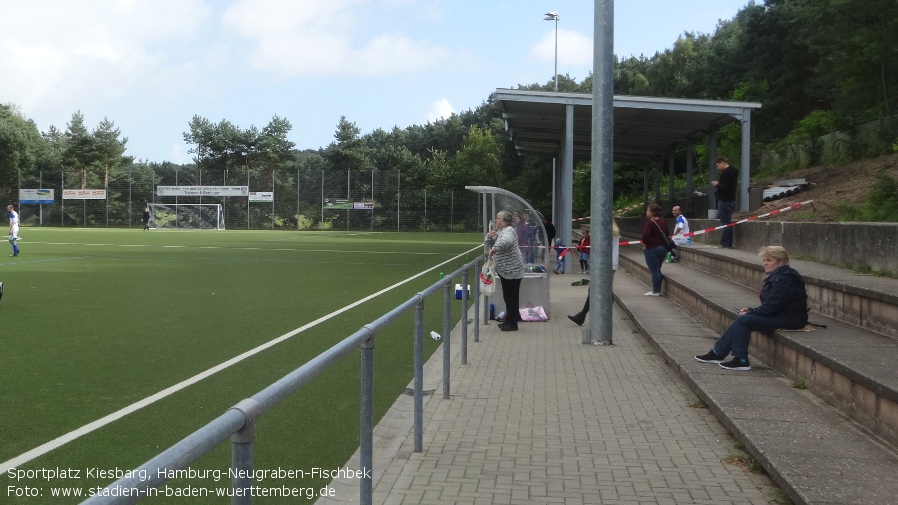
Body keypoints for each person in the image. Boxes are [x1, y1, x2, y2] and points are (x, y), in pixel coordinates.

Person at [695, 246, 808, 371]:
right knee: (745, 318)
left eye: (769, 260)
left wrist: (751, 311)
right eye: (764, 260)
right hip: (781, 314)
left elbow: (772, 306)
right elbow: (772, 305)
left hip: (791, 319)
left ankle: (740, 360)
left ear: (780, 261)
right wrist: (751, 310)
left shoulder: (784, 279)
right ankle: (717, 353)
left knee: (745, 320)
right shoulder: (778, 275)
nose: (765, 263)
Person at [568, 219, 620, 326]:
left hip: (606, 265)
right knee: (600, 290)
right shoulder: (613, 231)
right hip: (609, 264)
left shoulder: (607, 231)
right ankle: (587, 315)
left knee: (594, 290)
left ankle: (583, 316)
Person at [486, 211, 525, 331]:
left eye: (498, 218)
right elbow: (489, 243)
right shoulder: (500, 232)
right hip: (504, 271)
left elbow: (505, 242)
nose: (496, 220)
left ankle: (513, 323)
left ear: (505, 221)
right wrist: (488, 237)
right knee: (507, 296)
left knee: (511, 297)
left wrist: (494, 249)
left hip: (512, 271)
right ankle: (509, 319)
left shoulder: (509, 231)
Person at [642, 203, 668, 296]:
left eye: (648, 210)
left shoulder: (649, 223)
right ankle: (657, 289)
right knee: (657, 269)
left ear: (652, 212)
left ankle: (656, 291)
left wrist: (644, 244)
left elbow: (645, 236)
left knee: (654, 271)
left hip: (651, 249)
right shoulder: (662, 222)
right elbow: (667, 234)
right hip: (662, 248)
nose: (646, 212)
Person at [711, 156, 738, 248]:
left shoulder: (726, 174)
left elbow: (725, 188)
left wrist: (717, 184)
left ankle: (725, 243)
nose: (717, 168)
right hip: (731, 199)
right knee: (727, 221)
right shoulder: (733, 172)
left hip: (725, 200)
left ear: (722, 163)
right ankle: (726, 242)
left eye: (717, 165)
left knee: (725, 222)